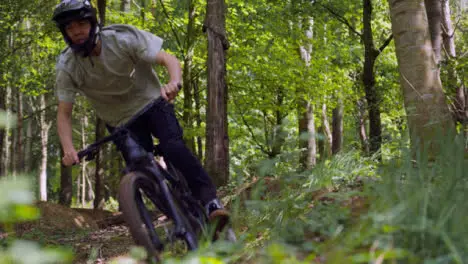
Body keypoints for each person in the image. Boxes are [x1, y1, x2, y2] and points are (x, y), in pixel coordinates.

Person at [52, 0, 229, 233]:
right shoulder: (67, 65)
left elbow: (168, 59)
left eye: (81, 24)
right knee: (140, 171)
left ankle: (210, 202)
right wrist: (68, 149)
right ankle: (181, 222)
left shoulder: (121, 39)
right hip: (120, 122)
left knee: (173, 147)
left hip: (153, 103)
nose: (76, 31)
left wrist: (174, 82)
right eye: (69, 27)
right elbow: (64, 113)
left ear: (93, 23)